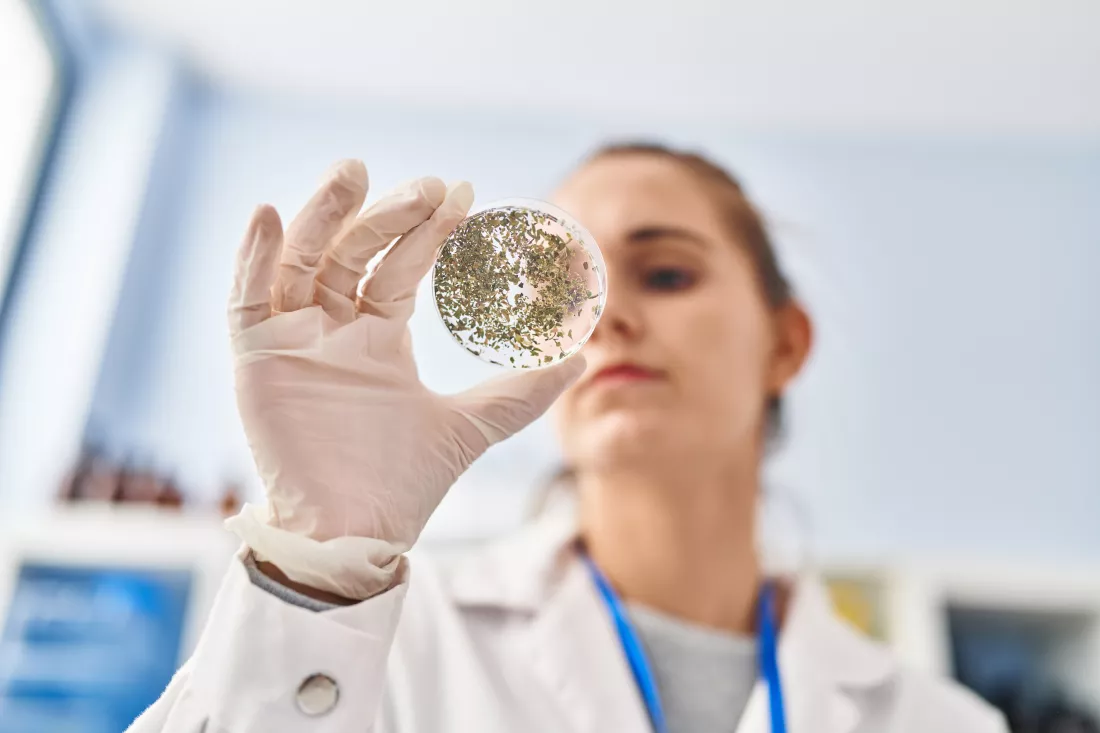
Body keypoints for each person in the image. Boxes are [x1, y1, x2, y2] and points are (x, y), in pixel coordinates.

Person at [129, 144, 1006, 733]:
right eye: (565, 289)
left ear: (784, 343)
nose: (609, 314)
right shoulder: (380, 628)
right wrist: (320, 552)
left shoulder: (943, 720)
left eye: (666, 273)